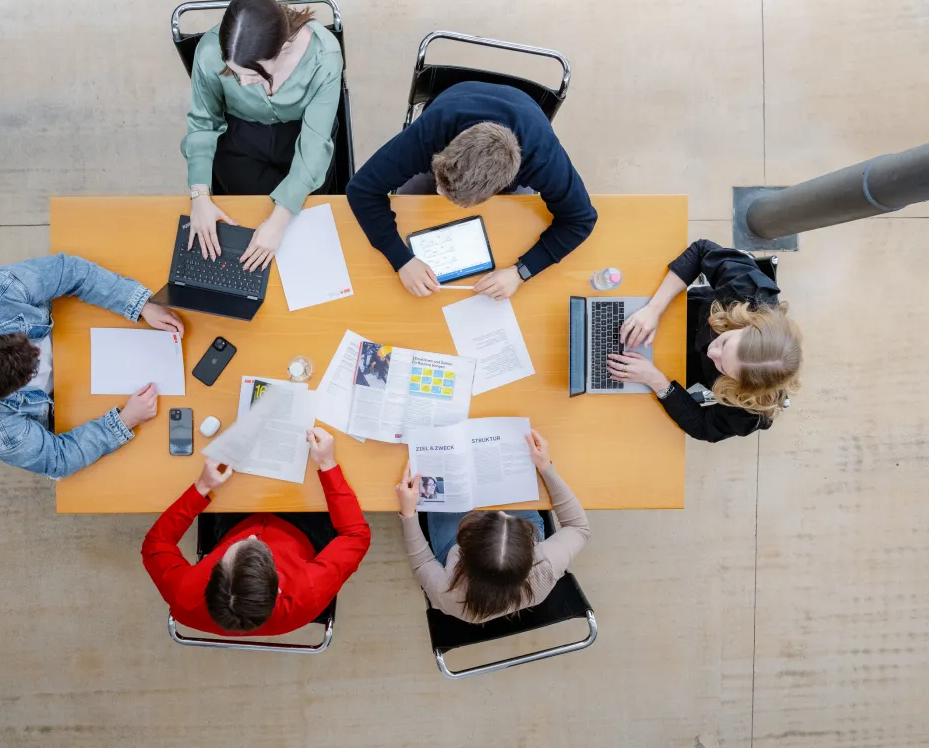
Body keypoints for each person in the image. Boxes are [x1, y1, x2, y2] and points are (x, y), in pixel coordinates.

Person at [345, 80, 597, 300]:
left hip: (525, 120)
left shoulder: (544, 158)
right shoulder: (431, 130)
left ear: (499, 189)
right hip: (455, 103)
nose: (440, 194)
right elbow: (362, 189)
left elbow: (580, 219)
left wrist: (521, 272)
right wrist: (401, 260)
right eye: (440, 184)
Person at [0, 254, 184, 477]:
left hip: (73, 322)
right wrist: (125, 421)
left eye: (28, 344)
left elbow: (69, 271)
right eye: (32, 369)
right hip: (71, 399)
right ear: (7, 393)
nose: (39, 352)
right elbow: (59, 460)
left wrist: (141, 305)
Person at [142, 428, 371, 636]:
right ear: (278, 588)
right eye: (260, 548)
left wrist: (202, 487)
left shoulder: (184, 595)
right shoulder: (307, 593)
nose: (253, 536)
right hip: (302, 531)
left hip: (233, 525)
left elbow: (155, 544)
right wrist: (328, 463)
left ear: (212, 576)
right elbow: (355, 536)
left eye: (235, 549)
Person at [181, 0, 344, 273]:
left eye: (255, 75)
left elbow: (315, 143)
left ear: (283, 47)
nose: (244, 84)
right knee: (244, 224)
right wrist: (199, 197)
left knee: (299, 228)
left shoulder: (324, 55)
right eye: (234, 73)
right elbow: (202, 122)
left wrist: (278, 222)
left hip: (303, 135)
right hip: (240, 135)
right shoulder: (209, 51)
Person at [607, 239, 803, 443]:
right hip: (672, 312)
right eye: (725, 343)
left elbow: (704, 427)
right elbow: (702, 251)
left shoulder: (754, 407)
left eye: (724, 368)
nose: (711, 352)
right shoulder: (750, 295)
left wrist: (656, 380)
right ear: (746, 324)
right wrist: (654, 309)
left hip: (672, 371)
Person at [394, 430, 590, 624]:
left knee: (438, 488)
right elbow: (578, 526)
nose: (500, 511)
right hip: (495, 550)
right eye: (507, 516)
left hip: (456, 549)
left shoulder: (449, 594)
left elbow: (422, 564)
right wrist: (546, 467)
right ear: (531, 551)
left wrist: (409, 515)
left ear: (465, 547)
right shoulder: (546, 566)